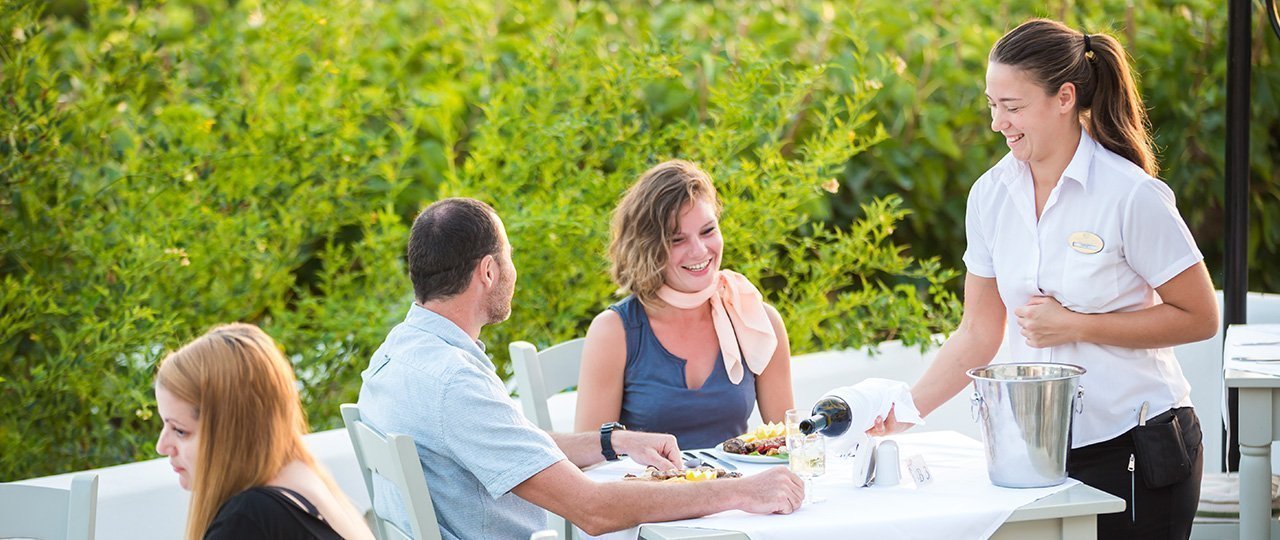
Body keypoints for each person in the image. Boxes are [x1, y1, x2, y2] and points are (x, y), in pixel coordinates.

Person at [875, 19, 1218, 539]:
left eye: (1012, 107)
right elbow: (978, 334)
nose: (998, 123)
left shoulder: (1130, 195)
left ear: (1064, 97)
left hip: (1138, 449)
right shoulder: (989, 196)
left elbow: (1200, 317)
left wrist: (1076, 325)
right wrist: (902, 411)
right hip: (1033, 455)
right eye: (992, 104)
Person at [356, 197, 804, 539]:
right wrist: (743, 491)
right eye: (510, 257)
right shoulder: (453, 382)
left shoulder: (399, 355)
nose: (515, 270)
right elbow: (593, 510)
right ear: (489, 271)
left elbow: (508, 444)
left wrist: (614, 442)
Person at [574, 160, 795, 450]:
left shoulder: (756, 319)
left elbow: (790, 444)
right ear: (647, 248)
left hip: (737, 490)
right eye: (677, 239)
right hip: (645, 492)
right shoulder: (614, 331)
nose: (700, 251)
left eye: (707, 231)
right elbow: (588, 456)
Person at [154, 323, 374, 540]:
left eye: (180, 431)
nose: (162, 446)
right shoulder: (301, 477)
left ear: (233, 433)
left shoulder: (248, 521)